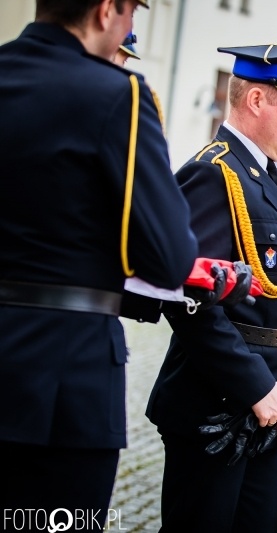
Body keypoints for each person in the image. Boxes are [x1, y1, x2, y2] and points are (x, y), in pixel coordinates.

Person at [0, 0, 197, 525]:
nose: (131, 27)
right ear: (107, 10)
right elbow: (170, 256)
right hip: (66, 382)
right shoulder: (120, 94)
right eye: (133, 12)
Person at [145, 43, 277, 533]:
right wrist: (255, 386)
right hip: (217, 403)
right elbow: (187, 299)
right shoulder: (213, 171)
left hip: (273, 402)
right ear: (256, 101)